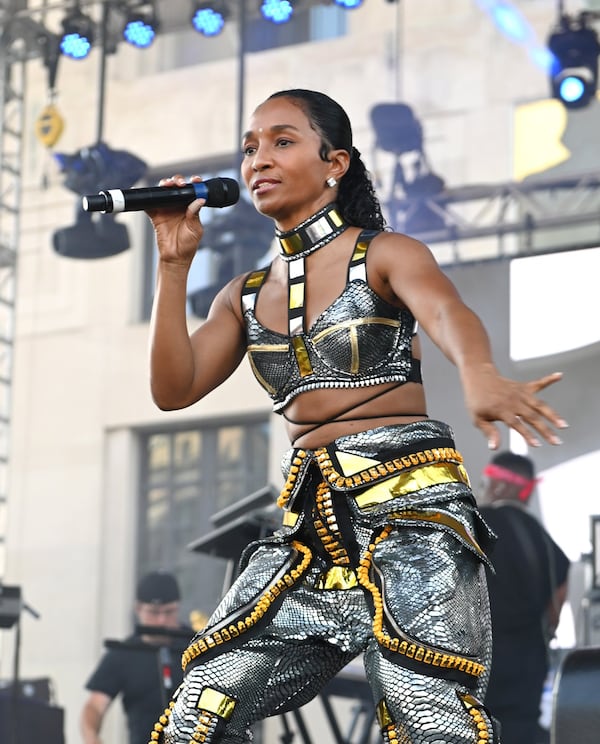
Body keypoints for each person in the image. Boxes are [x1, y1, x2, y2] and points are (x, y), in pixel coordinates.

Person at [145, 89, 568, 744]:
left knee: (428, 713)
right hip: (310, 529)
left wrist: (478, 371)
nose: (259, 158)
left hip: (410, 512)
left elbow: (449, 314)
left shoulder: (387, 253)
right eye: (251, 146)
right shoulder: (245, 295)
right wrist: (174, 265)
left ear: (334, 161)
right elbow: (173, 392)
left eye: (282, 141)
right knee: (197, 708)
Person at [478, 452, 570, 744]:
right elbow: (561, 587)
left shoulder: (475, 525)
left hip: (480, 666)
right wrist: (547, 627)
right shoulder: (539, 536)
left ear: (500, 485)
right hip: (527, 665)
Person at [80, 571, 191, 744]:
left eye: (169, 612)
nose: (162, 620)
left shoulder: (200, 647)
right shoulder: (123, 653)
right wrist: (92, 737)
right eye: (153, 612)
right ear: (138, 609)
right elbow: (95, 705)